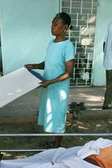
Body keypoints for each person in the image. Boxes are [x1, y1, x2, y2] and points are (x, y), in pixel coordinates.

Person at [25, 12, 76, 147]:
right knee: (50, 113)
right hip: (48, 87)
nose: (52, 27)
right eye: (52, 23)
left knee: (58, 117)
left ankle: (57, 147)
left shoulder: (68, 46)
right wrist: (34, 66)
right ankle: (54, 143)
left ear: (65, 27)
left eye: (56, 24)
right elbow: (48, 63)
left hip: (58, 89)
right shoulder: (51, 43)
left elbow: (68, 73)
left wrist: (50, 82)